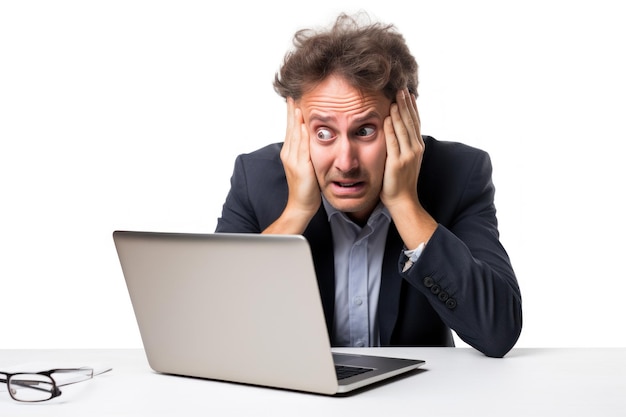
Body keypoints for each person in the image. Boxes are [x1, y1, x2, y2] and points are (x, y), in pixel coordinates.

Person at [215, 12, 522, 358]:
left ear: (405, 121)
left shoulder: (459, 173)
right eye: (323, 133)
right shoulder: (254, 179)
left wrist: (406, 205)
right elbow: (210, 325)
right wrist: (296, 212)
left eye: (364, 131)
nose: (346, 163)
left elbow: (498, 331)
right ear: (296, 127)